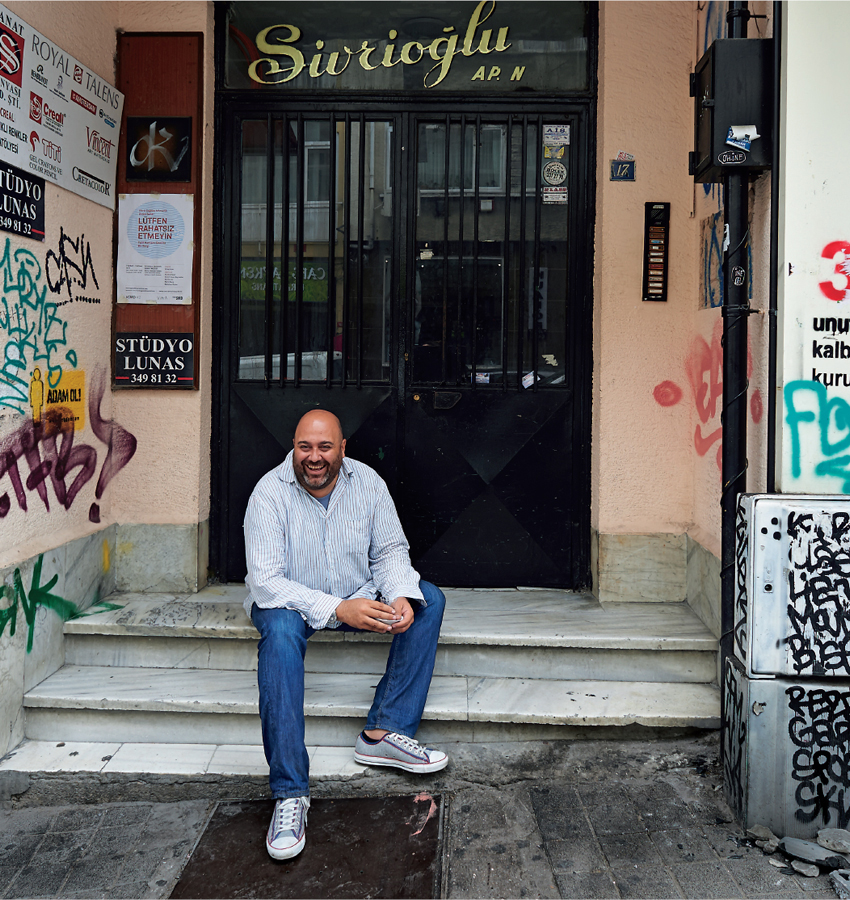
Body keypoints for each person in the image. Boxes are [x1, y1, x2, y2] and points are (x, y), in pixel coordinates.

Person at [243, 409, 448, 861]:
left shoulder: (368, 483)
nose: (313, 458)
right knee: (277, 633)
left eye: (324, 447)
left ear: (342, 449)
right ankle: (290, 794)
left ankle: (384, 732)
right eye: (304, 447)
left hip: (359, 591)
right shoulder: (267, 494)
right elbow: (266, 582)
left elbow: (391, 551)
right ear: (293, 447)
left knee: (427, 598)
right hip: (292, 602)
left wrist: (399, 595)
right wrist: (338, 609)